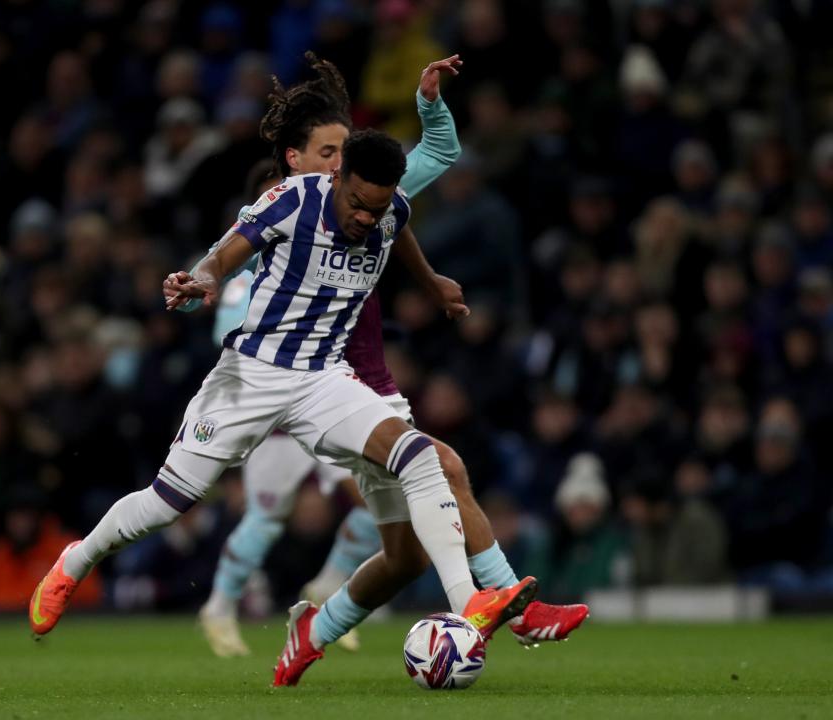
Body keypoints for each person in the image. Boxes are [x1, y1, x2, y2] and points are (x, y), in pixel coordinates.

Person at [29, 131, 535, 676]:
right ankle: (72, 563)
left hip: (323, 379)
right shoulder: (292, 199)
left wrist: (431, 281)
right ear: (337, 178)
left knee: (420, 456)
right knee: (166, 503)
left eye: (377, 208)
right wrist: (200, 281)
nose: (366, 219)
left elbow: (399, 227)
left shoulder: (388, 211)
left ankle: (467, 604)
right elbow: (223, 255)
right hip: (251, 376)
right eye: (358, 205)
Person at [178, 54, 588, 658]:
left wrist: (427, 103)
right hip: (296, 397)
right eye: (329, 153)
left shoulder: (366, 193)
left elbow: (439, 155)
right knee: (434, 471)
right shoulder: (280, 214)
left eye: (347, 151)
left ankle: (312, 629)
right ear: (293, 161)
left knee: (402, 554)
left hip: (359, 386)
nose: (343, 165)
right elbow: (211, 288)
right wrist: (199, 292)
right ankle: (511, 607)